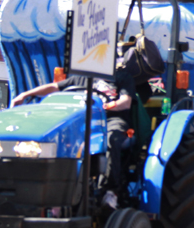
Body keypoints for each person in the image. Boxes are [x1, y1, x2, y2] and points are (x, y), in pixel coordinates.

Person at [12, 67, 136, 209]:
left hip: (110, 120)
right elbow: (54, 87)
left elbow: (125, 102)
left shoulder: (122, 77)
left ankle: (110, 192)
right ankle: (58, 190)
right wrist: (25, 94)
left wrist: (105, 106)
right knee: (61, 140)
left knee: (111, 139)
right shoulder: (81, 78)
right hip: (86, 121)